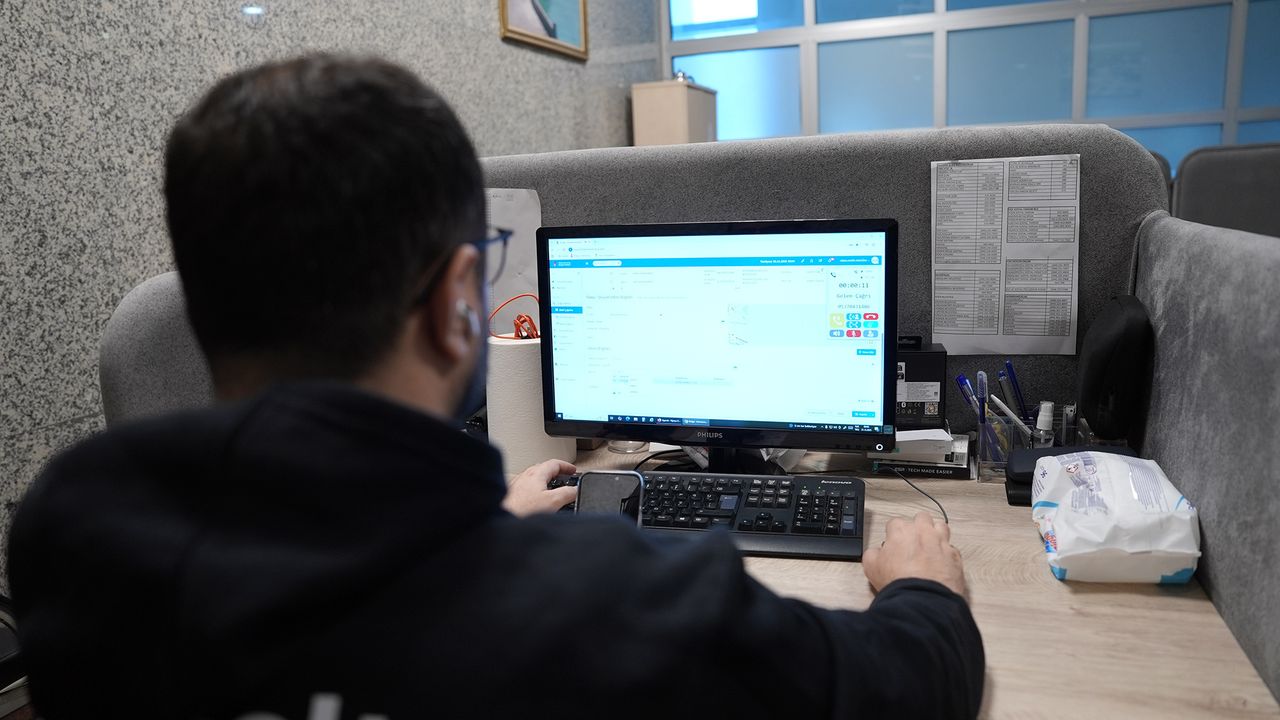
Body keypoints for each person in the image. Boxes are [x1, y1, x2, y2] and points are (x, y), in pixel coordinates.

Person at [8, 54, 984, 719]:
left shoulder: (76, 531)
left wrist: (474, 525)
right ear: (457, 303)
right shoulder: (611, 600)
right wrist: (922, 592)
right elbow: (900, 689)